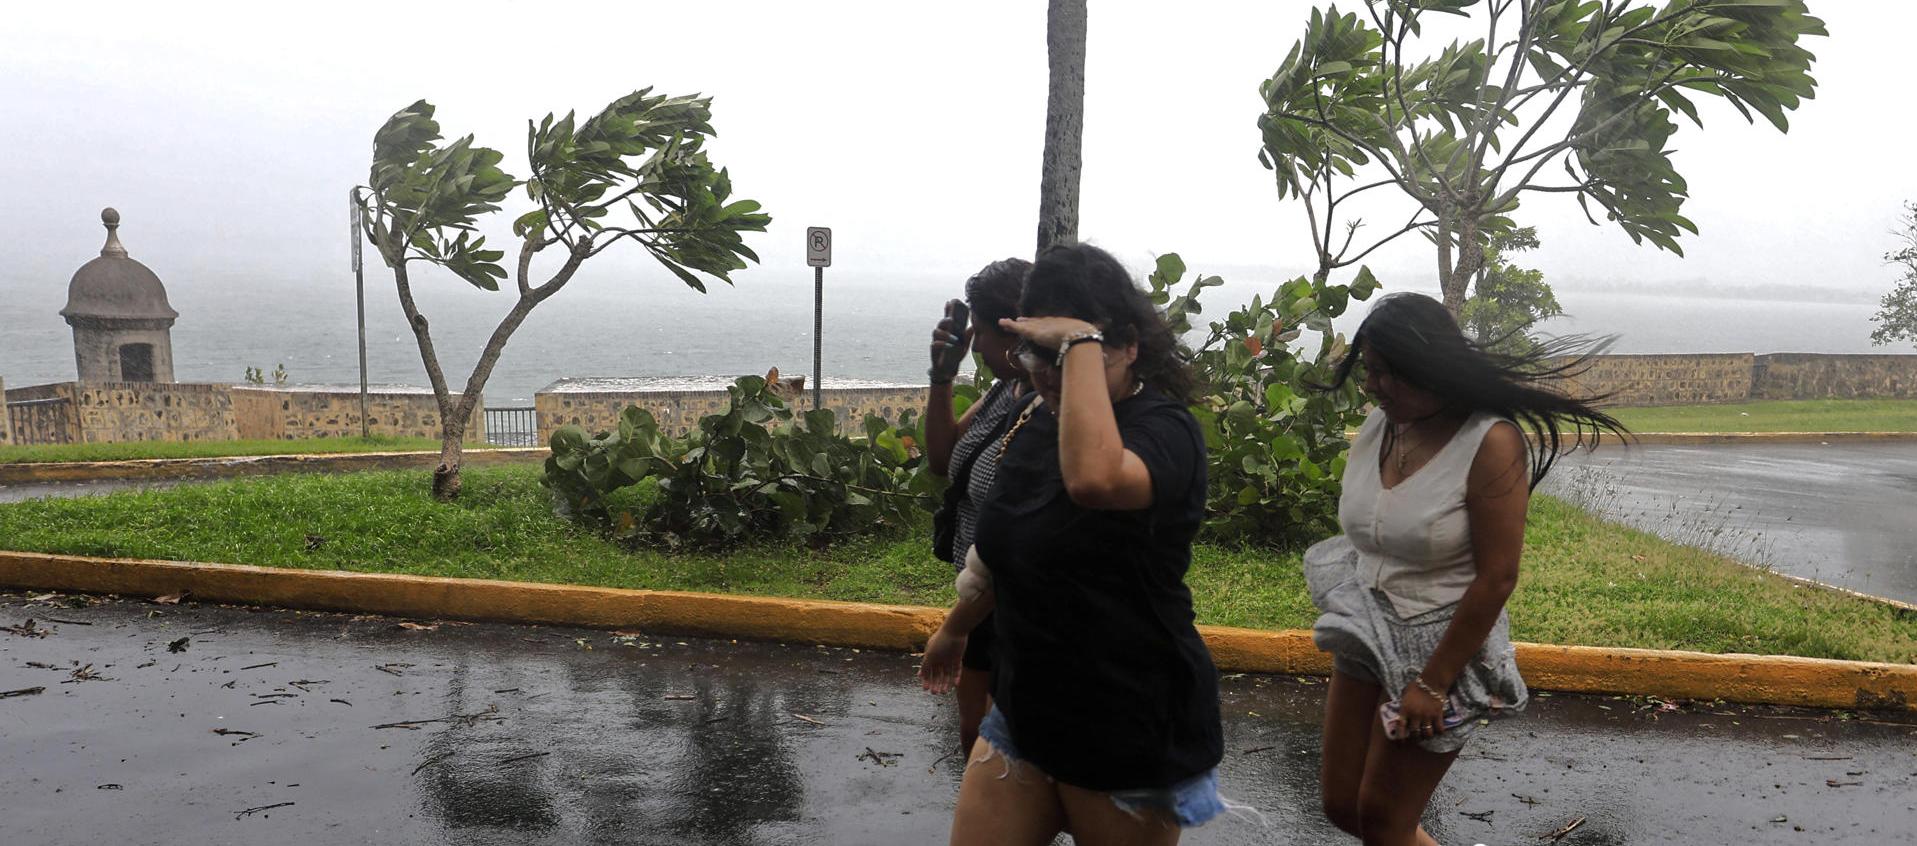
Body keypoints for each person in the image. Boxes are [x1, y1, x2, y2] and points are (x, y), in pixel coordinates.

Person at [919, 244, 1226, 845]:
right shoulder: (1036, 420)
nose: (1051, 373)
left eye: (1074, 353)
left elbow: (1094, 480)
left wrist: (1077, 342)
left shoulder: (1166, 431)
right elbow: (1007, 545)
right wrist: (957, 626)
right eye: (1039, 352)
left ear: (1130, 346)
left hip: (1126, 719)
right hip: (1026, 709)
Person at [1305, 292, 1626, 846]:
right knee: (1342, 804)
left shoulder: (1490, 442)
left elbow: (1498, 575)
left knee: (1385, 820)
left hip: (1445, 646)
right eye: (1369, 371)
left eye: (1389, 374)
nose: (1374, 386)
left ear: (1431, 370)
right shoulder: (1384, 427)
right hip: (1369, 633)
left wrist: (1432, 682)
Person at [923, 256, 1033, 755]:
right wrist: (941, 379)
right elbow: (945, 459)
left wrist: (955, 627)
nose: (977, 347)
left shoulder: (1047, 413)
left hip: (1014, 603)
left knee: (1003, 748)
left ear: (1011, 335)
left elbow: (1019, 545)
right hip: (979, 603)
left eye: (982, 334)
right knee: (974, 736)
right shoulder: (1004, 392)